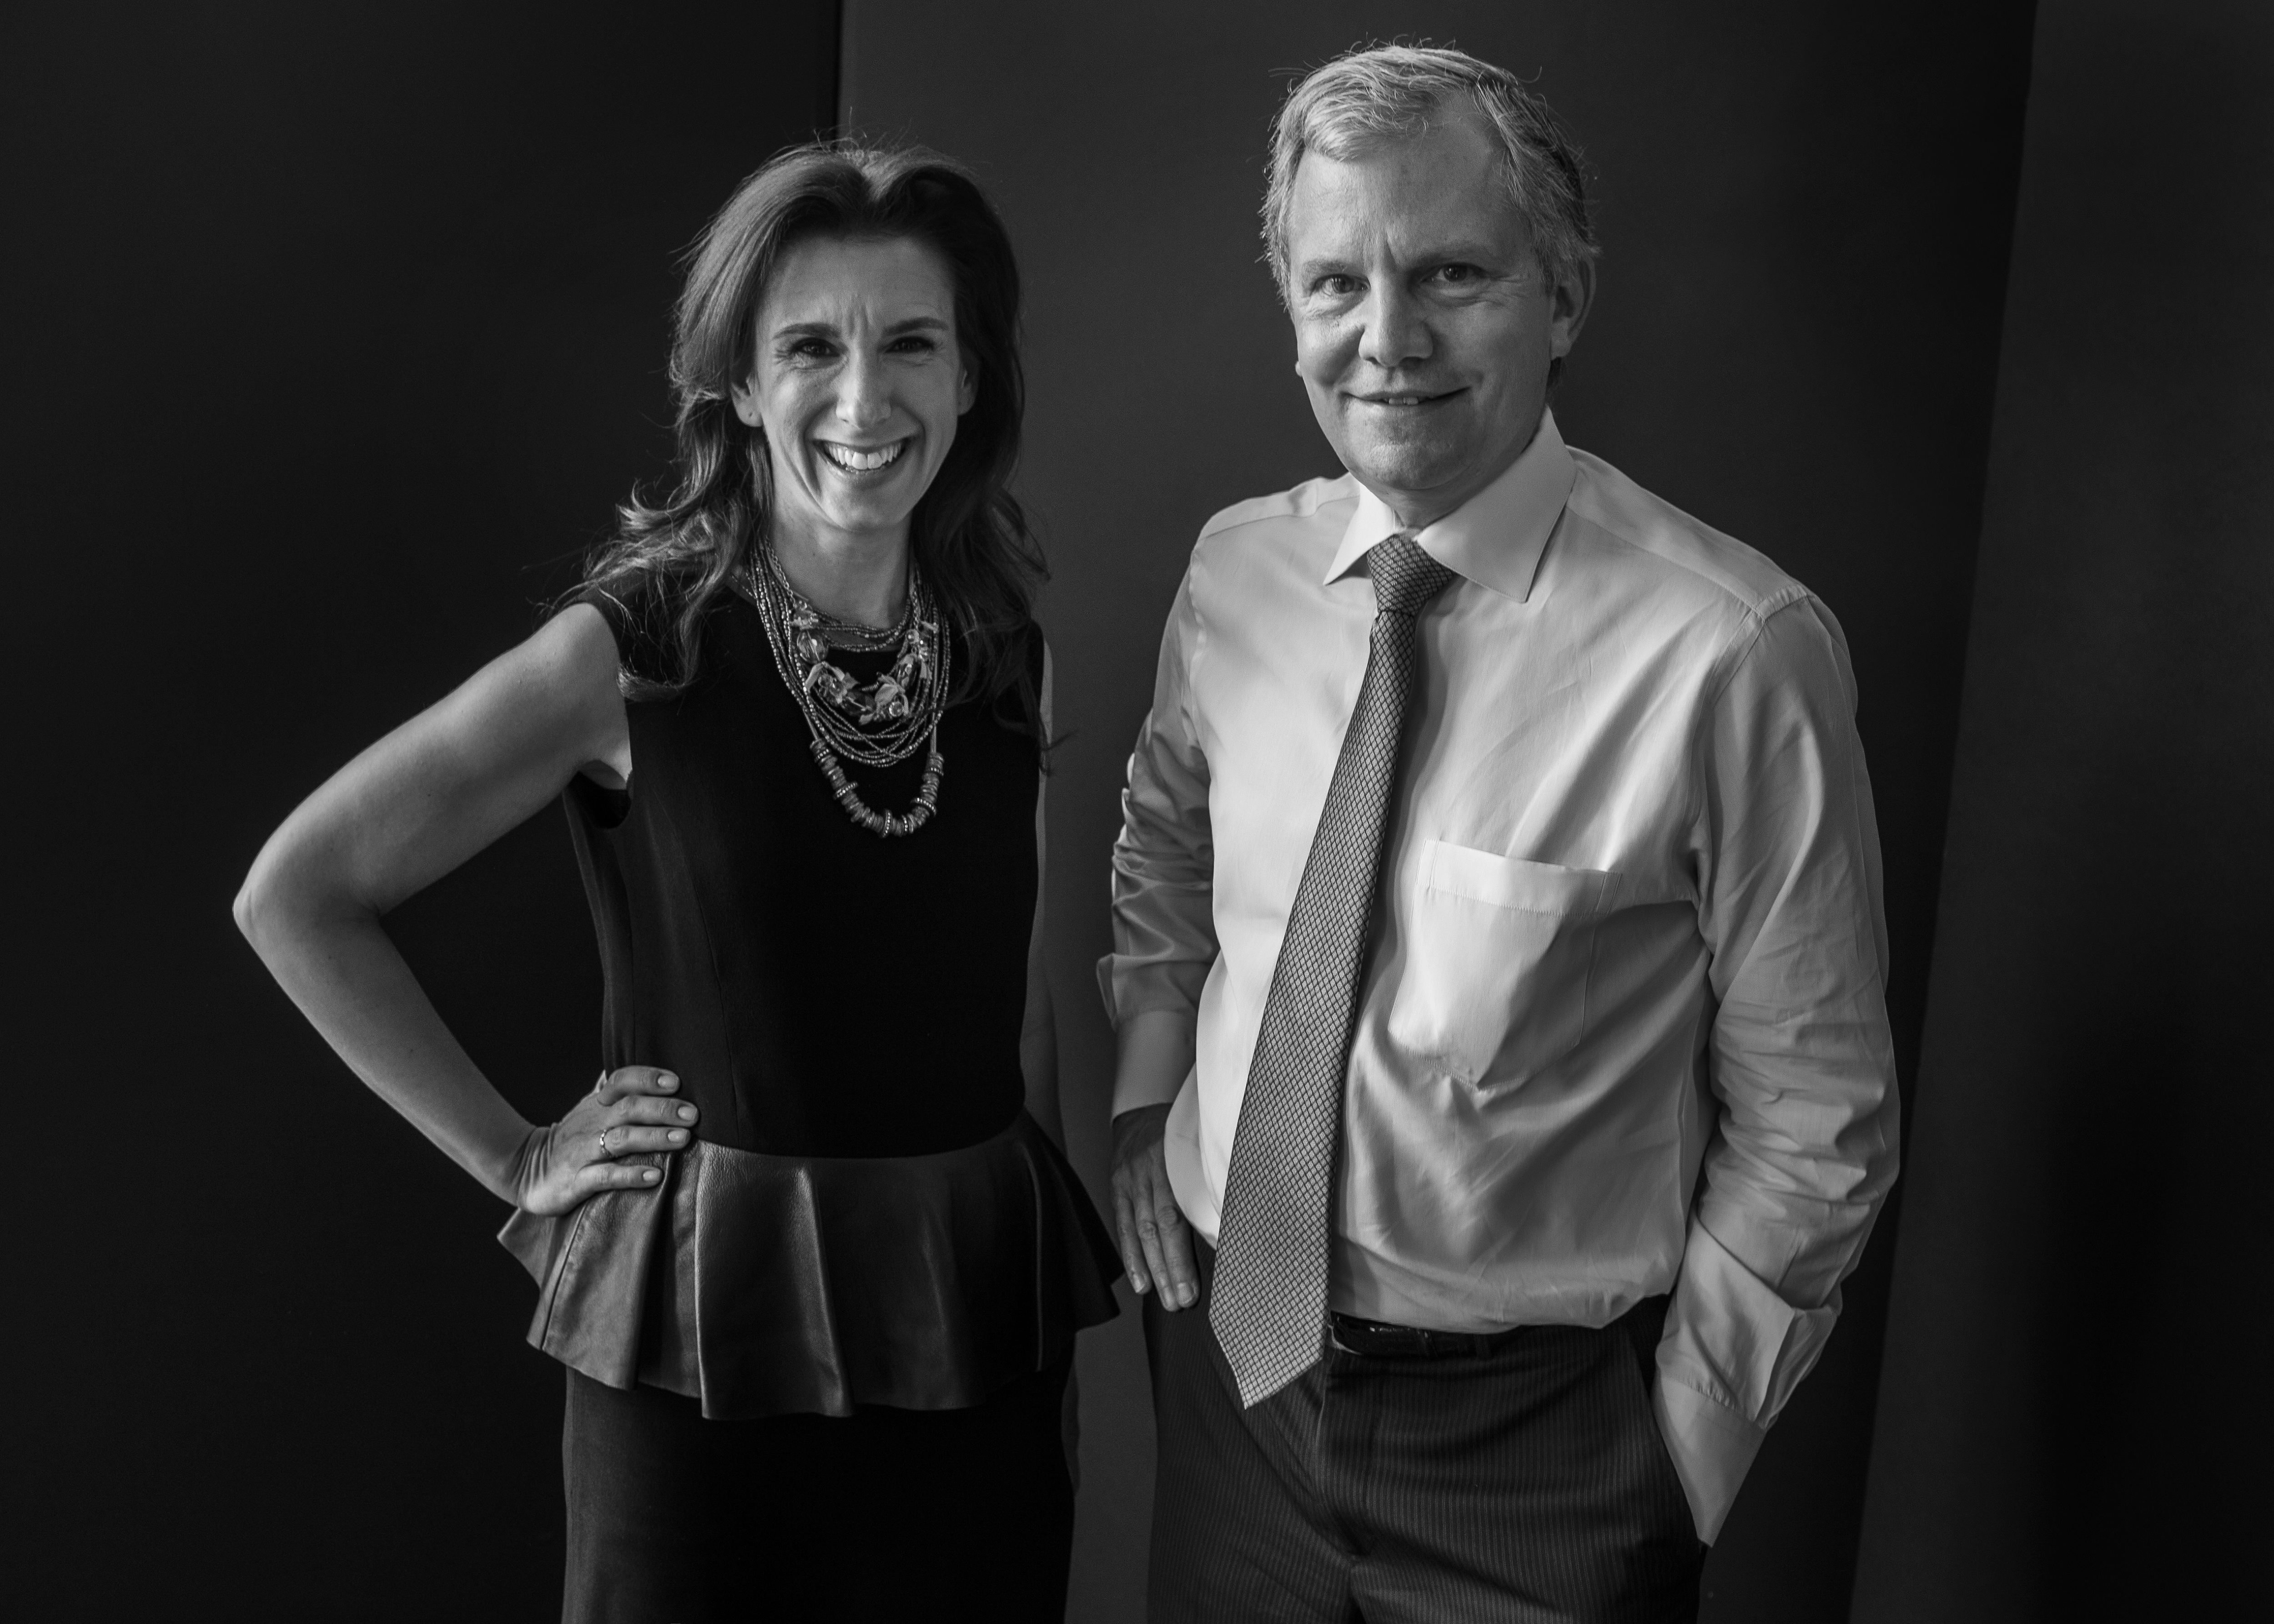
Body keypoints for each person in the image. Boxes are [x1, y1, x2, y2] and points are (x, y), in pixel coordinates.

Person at [234, 142, 1119, 1622]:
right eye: (810, 350)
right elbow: (298, 894)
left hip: (978, 1334)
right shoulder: (636, 650)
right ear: (740, 387)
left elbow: (1007, 998)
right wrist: (519, 1160)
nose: (863, 400)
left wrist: (1042, 1342)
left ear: (972, 380)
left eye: (911, 344)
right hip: (700, 1344)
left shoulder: (1003, 650)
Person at [1104, 45, 1900, 1622]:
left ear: (1566, 296)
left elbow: (1821, 1110)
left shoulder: (1732, 652)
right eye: (1335, 282)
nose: (1385, 339)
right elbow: (1161, 851)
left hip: (1544, 1458)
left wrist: (1681, 1449)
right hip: (1231, 1393)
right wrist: (1146, 1104)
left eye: (1451, 273)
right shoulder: (1236, 574)